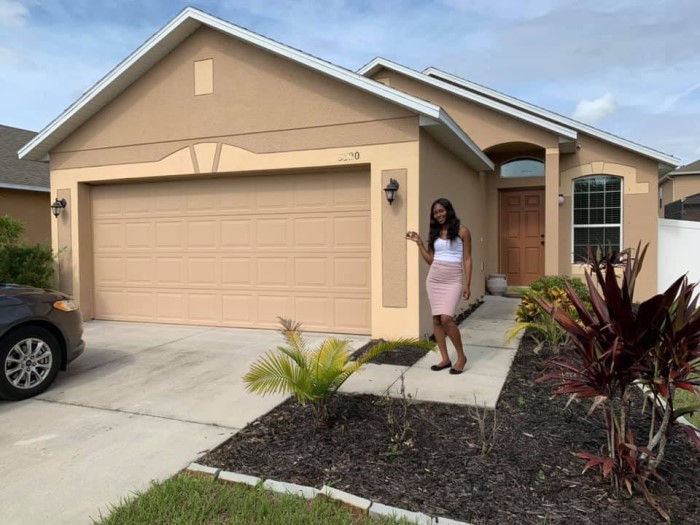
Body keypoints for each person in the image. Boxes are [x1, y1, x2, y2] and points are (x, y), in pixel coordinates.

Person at [406, 198, 472, 374]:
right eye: (435, 213)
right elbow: (430, 260)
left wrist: (467, 283)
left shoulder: (463, 231)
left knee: (446, 318)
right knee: (436, 319)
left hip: (453, 279)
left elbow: (467, 258)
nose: (438, 215)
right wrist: (420, 243)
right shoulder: (435, 233)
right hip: (434, 279)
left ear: (448, 210)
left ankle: (461, 357)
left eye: (441, 211)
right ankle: (444, 358)